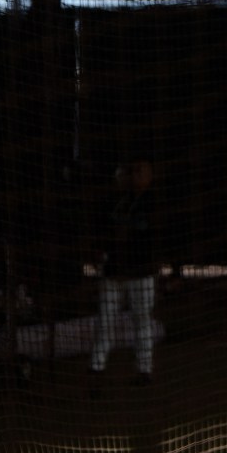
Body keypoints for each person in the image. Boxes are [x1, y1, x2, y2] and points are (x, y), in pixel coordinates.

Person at [89, 157, 159, 389]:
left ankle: (145, 371)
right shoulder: (114, 201)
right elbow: (102, 234)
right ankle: (96, 368)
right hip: (114, 274)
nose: (133, 176)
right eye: (131, 172)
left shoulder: (153, 203)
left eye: (140, 171)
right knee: (106, 321)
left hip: (141, 273)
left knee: (142, 322)